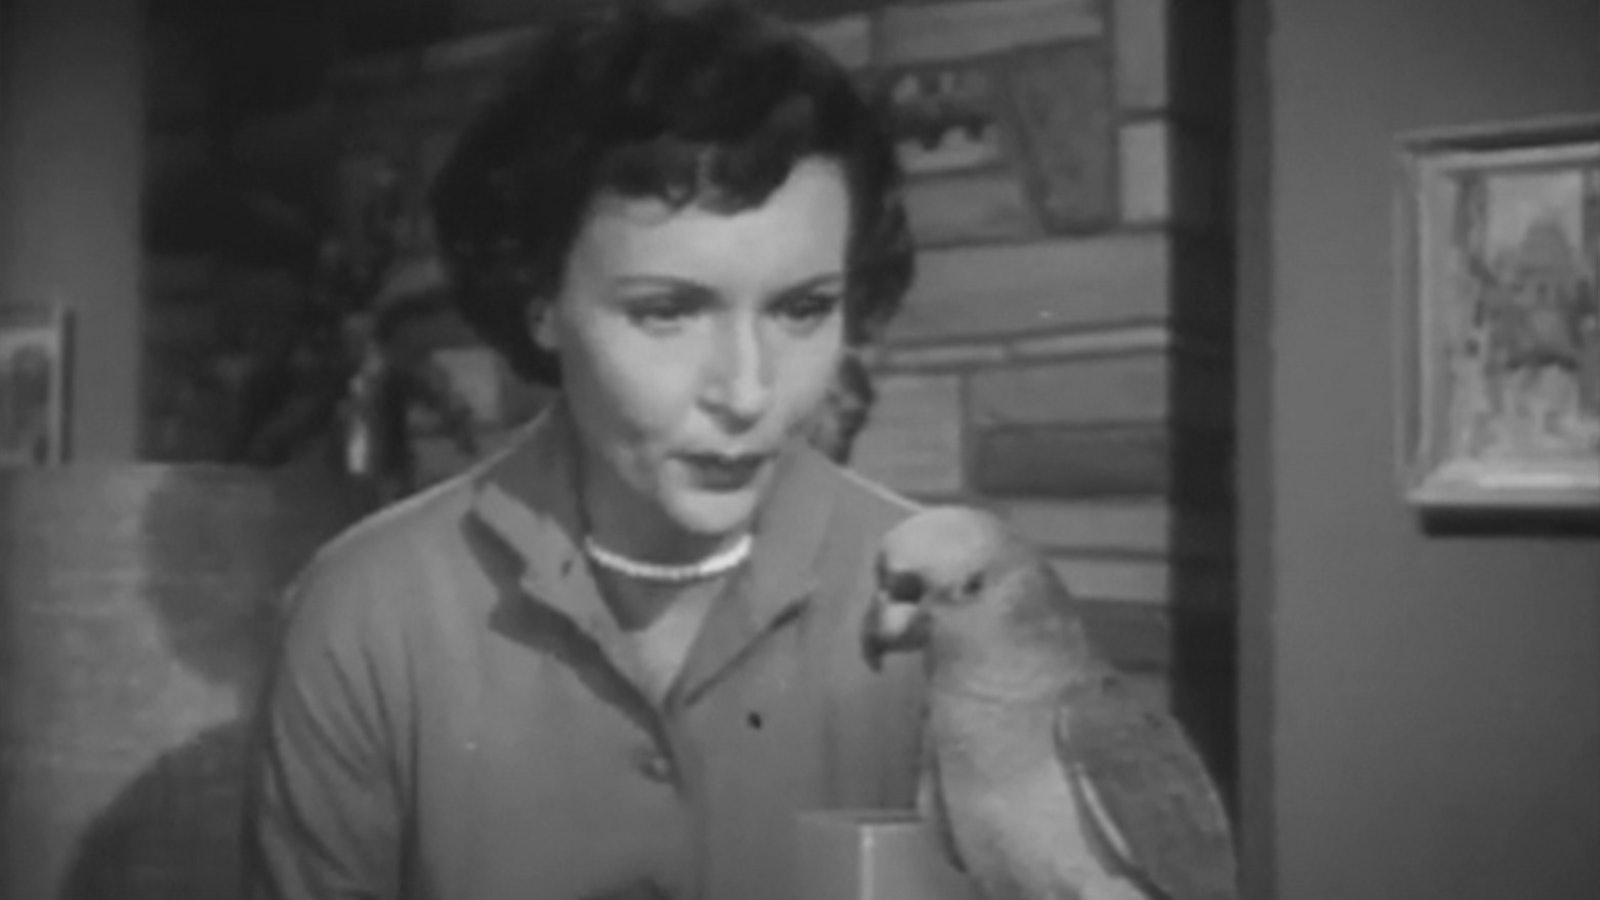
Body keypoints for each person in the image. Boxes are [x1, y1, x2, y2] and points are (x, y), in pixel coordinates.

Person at [241, 2, 927, 898]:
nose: (749, 391)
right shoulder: (369, 616)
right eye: (667, 312)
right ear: (540, 302)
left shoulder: (941, 611)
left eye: (802, 310)